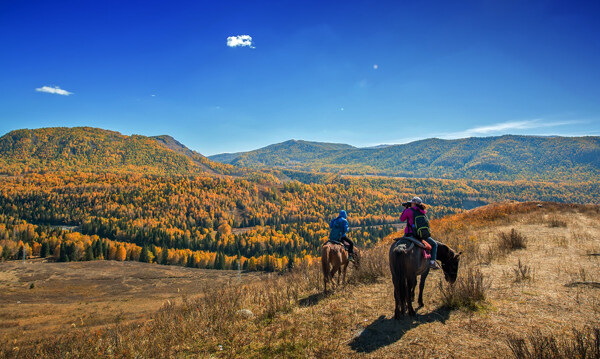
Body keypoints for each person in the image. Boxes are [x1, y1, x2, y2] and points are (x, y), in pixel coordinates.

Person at [400, 197, 439, 269]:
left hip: (410, 233)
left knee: (399, 244)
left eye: (411, 202)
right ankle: (432, 262)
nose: (410, 203)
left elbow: (402, 219)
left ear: (414, 203)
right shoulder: (423, 211)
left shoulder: (409, 211)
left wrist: (405, 209)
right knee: (434, 244)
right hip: (421, 235)